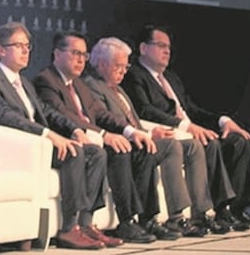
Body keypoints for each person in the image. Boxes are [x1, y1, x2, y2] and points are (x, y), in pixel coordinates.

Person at [0, 23, 109, 251]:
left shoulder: (24, 82)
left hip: (38, 145)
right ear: (1, 50)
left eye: (27, 46)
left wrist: (74, 130)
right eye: (19, 46)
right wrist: (48, 134)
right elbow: (4, 116)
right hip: (18, 147)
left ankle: (85, 223)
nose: (26, 51)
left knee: (96, 153)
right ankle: (68, 228)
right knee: (74, 152)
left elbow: (46, 111)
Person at [122, 25, 250, 231]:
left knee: (238, 142)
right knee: (210, 143)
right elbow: (145, 110)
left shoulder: (171, 78)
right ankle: (219, 211)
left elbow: (192, 110)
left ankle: (237, 209)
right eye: (161, 45)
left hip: (190, 131)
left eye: (169, 47)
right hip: (173, 134)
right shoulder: (134, 75)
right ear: (143, 48)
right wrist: (186, 127)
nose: (167, 51)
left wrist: (223, 120)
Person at [33, 32, 159, 244]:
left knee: (139, 149)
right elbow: (64, 115)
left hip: (91, 138)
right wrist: (103, 135)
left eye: (84, 55)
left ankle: (144, 219)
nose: (81, 60)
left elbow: (100, 113)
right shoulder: (45, 80)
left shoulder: (79, 84)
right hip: (70, 140)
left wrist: (130, 131)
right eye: (75, 53)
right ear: (57, 54)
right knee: (116, 151)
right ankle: (125, 221)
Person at [84, 37, 209, 238]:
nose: (123, 72)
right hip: (123, 142)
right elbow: (106, 119)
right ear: (101, 64)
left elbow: (135, 122)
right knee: (168, 146)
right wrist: (144, 135)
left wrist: (150, 132)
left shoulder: (119, 89)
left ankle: (196, 213)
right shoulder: (93, 86)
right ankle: (173, 218)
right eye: (118, 66)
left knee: (191, 145)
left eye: (126, 67)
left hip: (138, 138)